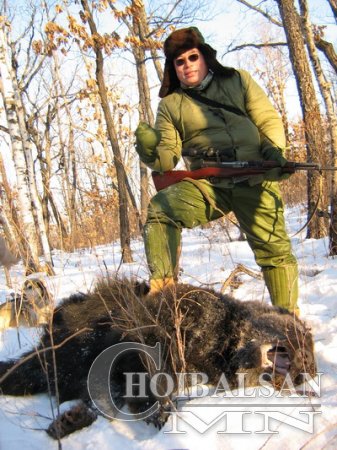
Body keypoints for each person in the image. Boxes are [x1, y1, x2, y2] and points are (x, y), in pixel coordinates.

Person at [135, 27, 299, 314]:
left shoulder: (238, 81)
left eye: (192, 57)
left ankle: (288, 325)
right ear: (173, 68)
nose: (187, 66)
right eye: (180, 62)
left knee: (276, 254)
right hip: (209, 185)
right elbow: (166, 160)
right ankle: (163, 296)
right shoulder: (171, 105)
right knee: (161, 210)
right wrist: (149, 149)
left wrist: (274, 152)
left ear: (205, 57)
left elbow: (267, 119)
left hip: (254, 178)